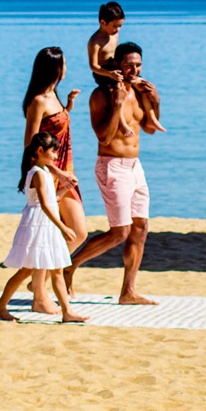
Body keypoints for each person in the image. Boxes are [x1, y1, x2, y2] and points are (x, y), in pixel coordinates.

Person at [68, 41, 160, 304]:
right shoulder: (101, 95)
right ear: (117, 65)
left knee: (140, 228)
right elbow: (104, 137)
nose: (134, 70)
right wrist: (118, 105)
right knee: (120, 231)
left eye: (138, 65)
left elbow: (150, 129)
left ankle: (128, 291)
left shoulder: (139, 91)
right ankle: (69, 266)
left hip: (135, 167)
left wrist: (156, 101)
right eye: (129, 65)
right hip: (112, 166)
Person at [0, 132, 84, 324]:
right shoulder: (37, 173)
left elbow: (52, 199)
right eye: (53, 152)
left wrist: (67, 187)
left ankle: (67, 312)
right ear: (40, 150)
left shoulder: (44, 172)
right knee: (26, 270)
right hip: (39, 224)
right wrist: (63, 227)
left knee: (57, 269)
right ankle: (0, 306)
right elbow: (44, 205)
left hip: (46, 224)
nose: (56, 157)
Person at [22, 46, 89, 276]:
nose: (67, 68)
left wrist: (68, 107)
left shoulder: (54, 96)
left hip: (65, 170)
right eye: (64, 64)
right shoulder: (38, 101)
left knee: (76, 233)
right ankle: (39, 283)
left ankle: (39, 282)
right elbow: (30, 144)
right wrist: (56, 172)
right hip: (49, 174)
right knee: (64, 233)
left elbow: (54, 128)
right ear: (55, 69)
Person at [88, 0, 163, 130]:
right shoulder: (95, 41)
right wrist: (110, 74)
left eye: (120, 26)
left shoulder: (114, 34)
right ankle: (122, 123)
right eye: (115, 26)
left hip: (115, 68)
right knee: (117, 92)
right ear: (103, 22)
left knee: (143, 86)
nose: (118, 29)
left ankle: (151, 118)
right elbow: (93, 66)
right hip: (103, 73)